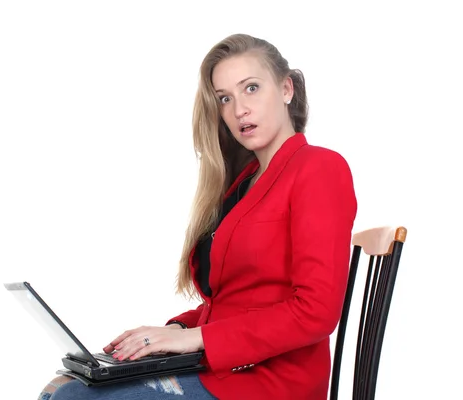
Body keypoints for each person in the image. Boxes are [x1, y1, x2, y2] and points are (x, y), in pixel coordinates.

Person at [40, 33, 357, 400]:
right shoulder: (242, 183)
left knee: (73, 398)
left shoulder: (319, 168)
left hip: (271, 383)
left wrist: (196, 338)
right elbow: (234, 301)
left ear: (286, 89)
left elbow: (316, 311)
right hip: (224, 369)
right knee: (65, 386)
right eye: (225, 98)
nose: (239, 109)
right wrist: (175, 330)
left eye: (251, 88)